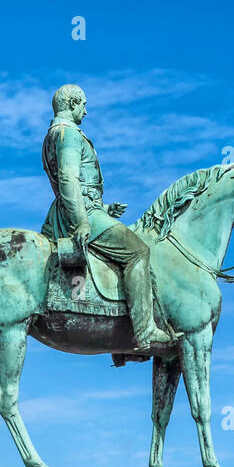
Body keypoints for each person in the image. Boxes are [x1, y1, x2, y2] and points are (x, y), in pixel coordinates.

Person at [41, 83, 162, 354]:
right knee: (137, 252)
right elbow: (69, 180)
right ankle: (145, 332)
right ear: (72, 104)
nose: (86, 110)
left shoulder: (54, 134)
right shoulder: (68, 134)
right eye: (83, 104)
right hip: (80, 214)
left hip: (78, 210)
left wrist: (105, 208)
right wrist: (84, 221)